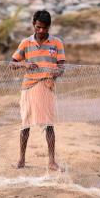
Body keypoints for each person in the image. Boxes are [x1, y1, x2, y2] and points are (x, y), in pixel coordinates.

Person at [10, 10, 66, 171]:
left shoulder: (57, 43)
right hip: (29, 87)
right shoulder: (26, 43)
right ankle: (21, 159)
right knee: (25, 124)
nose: (41, 31)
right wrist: (24, 64)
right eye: (39, 27)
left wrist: (54, 74)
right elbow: (12, 64)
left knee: (49, 124)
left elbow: (62, 67)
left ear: (50, 27)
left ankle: (51, 162)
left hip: (47, 86)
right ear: (34, 25)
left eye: (45, 28)